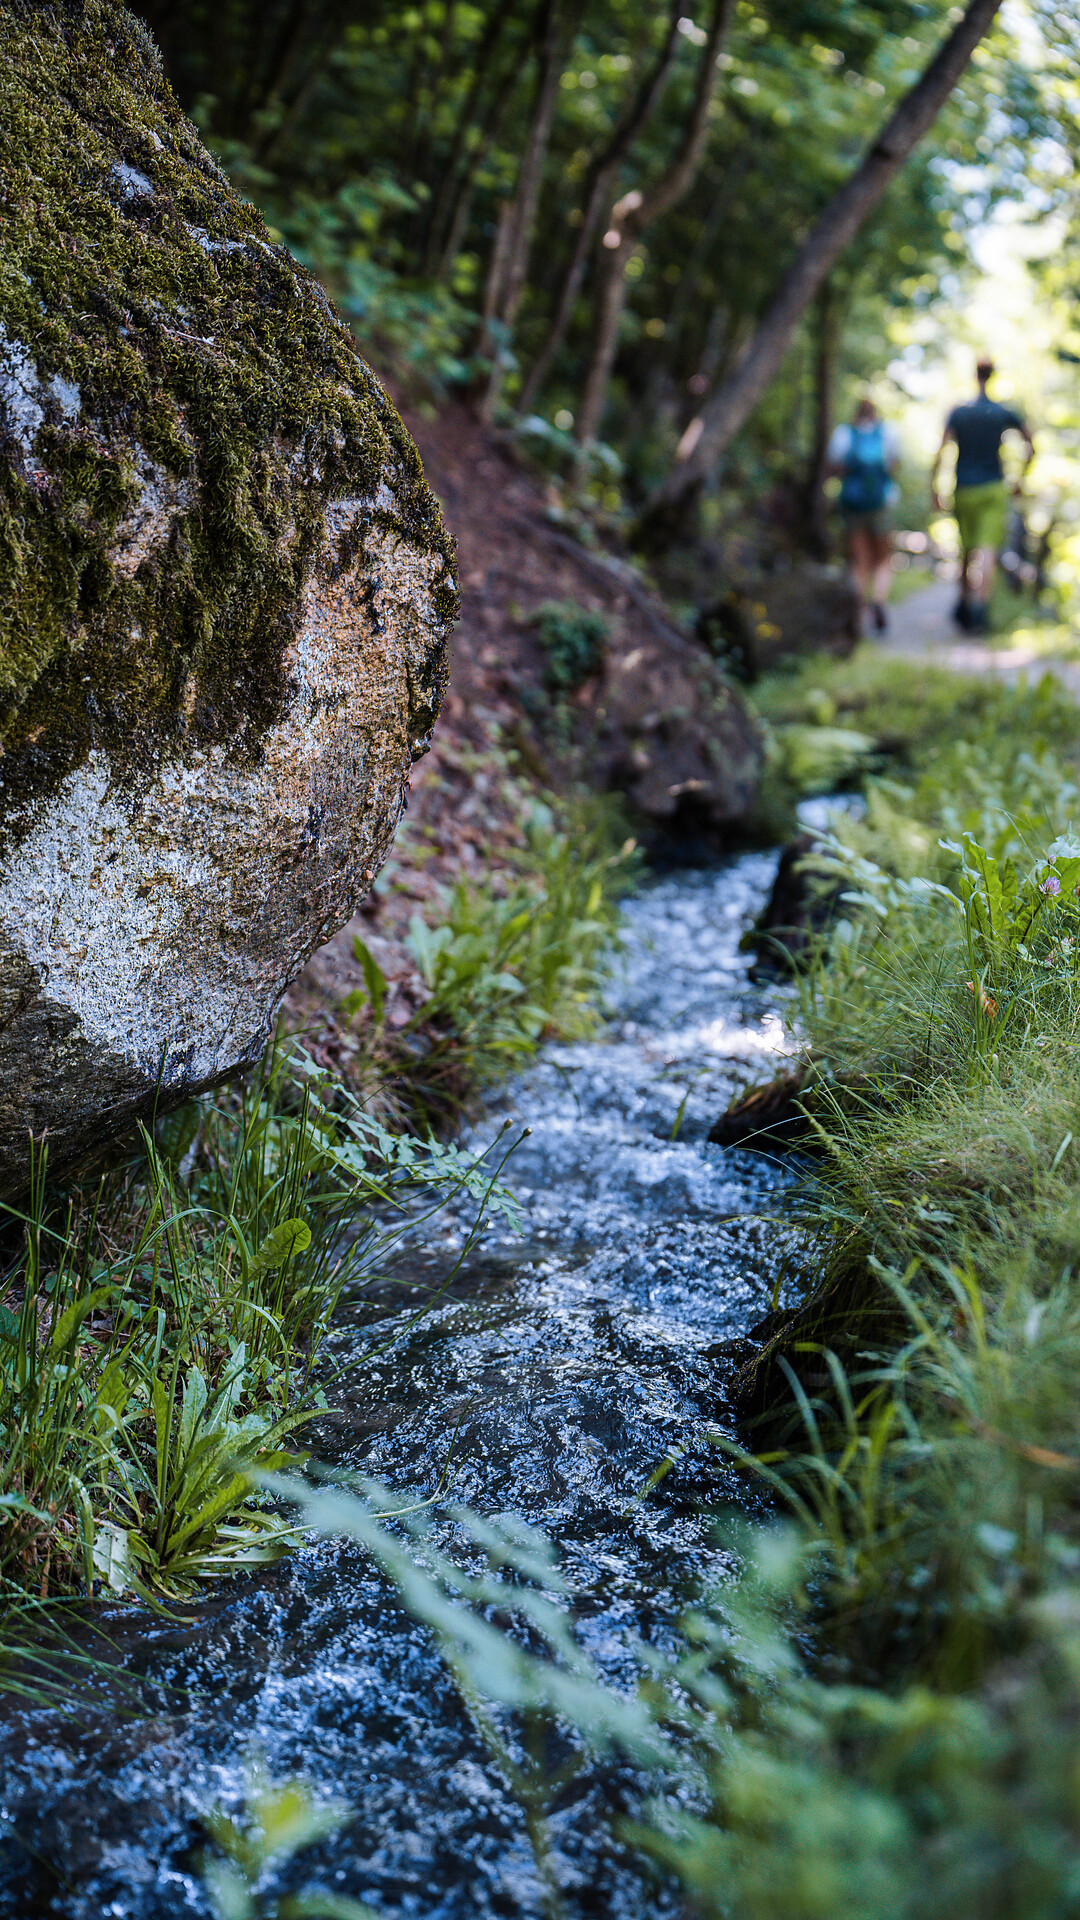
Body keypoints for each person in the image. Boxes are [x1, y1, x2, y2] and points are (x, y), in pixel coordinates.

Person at [931, 358, 1034, 634]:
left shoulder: (959, 412)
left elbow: (941, 451)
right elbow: (1031, 443)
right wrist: (1020, 478)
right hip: (992, 488)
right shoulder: (1002, 412)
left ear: (974, 375)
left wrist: (934, 486)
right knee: (987, 550)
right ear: (993, 376)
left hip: (963, 488)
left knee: (966, 551)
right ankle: (980, 608)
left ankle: (965, 603)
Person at [827, 399, 900, 632]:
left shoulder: (843, 434)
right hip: (880, 502)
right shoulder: (888, 433)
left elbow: (834, 467)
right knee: (882, 559)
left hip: (852, 503)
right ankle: (878, 600)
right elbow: (893, 466)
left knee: (859, 561)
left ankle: (858, 611)